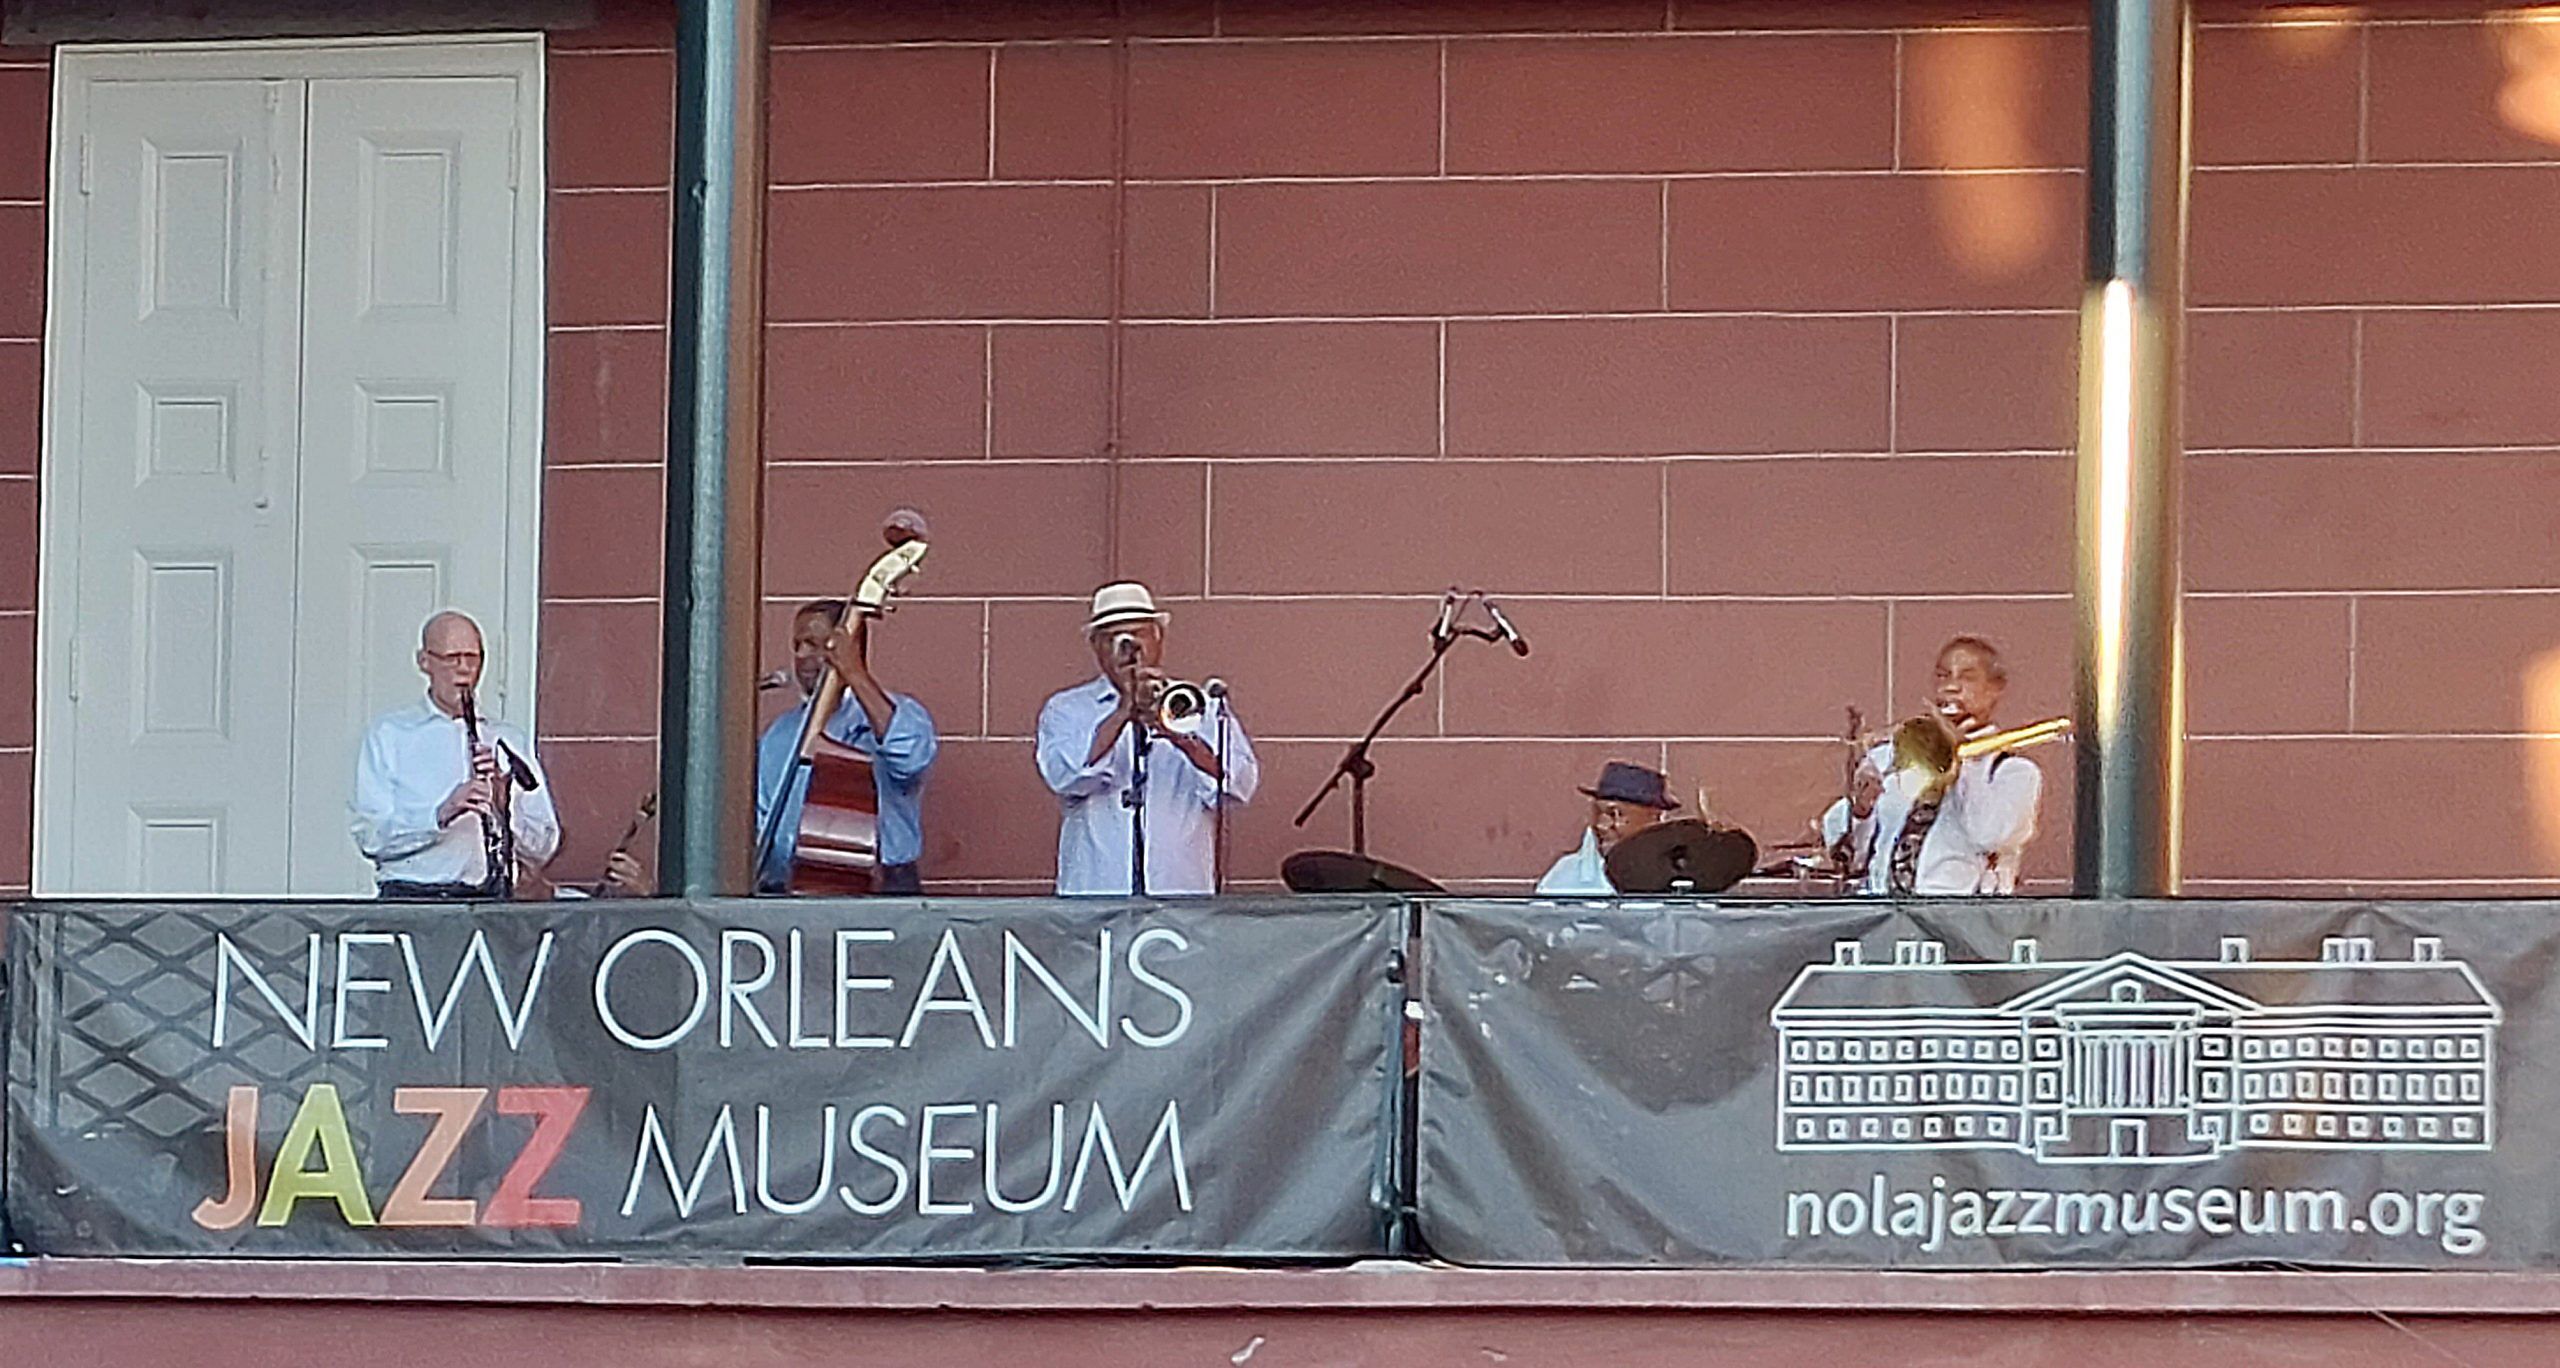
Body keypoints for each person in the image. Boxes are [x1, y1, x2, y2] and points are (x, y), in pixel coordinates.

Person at [1037, 582, 1257, 896]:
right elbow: (1067, 775)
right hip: (1095, 896)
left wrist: (1179, 735)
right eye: (1114, 636)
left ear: (1158, 637)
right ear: (1096, 645)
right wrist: (1125, 709)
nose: (1130, 647)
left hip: (1182, 895)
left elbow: (1238, 785)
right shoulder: (1067, 709)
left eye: (1138, 633)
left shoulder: (1202, 704)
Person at [351, 610, 559, 898]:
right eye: (452, 658)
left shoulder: (508, 741)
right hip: (414, 900)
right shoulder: (390, 735)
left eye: (472, 659)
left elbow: (544, 846)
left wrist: (503, 809)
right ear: (425, 662)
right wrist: (441, 814)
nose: (464, 670)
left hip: (490, 901)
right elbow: (371, 837)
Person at [1823, 635, 2043, 896]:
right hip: (1882, 913)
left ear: (1996, 689)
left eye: (1967, 677)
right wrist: (1861, 810)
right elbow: (1845, 851)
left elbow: (1989, 834)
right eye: (1943, 676)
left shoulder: (2013, 771)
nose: (1951, 687)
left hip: (1956, 919)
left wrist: (1963, 760)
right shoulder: (1896, 754)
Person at [754, 598, 939, 894]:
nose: (802, 656)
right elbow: (762, 818)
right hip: (793, 888)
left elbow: (911, 759)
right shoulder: (780, 733)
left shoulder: (897, 713)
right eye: (798, 645)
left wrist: (853, 672)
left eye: (815, 644)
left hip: (882, 888)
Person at [1535, 761, 1680, 896]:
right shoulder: (1566, 874)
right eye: (1597, 813)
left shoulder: (1675, 876)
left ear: (1654, 818)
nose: (1601, 825)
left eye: (1615, 814)